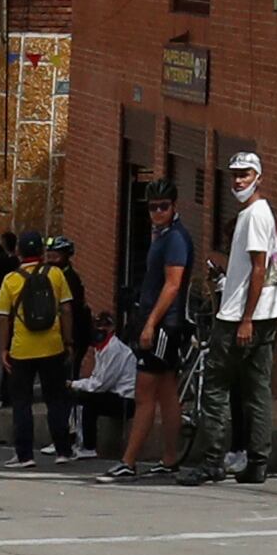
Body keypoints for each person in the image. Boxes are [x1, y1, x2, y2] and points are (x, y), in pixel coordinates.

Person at [190, 149, 277, 483]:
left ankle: (212, 461)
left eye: (245, 174)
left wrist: (246, 319)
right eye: (234, 175)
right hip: (265, 313)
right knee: (256, 390)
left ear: (258, 177)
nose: (238, 181)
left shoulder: (254, 215)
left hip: (240, 318)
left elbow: (259, 268)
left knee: (216, 388)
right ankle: (257, 463)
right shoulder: (258, 213)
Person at [115, 181, 195, 481]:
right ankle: (170, 458)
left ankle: (129, 460)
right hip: (163, 323)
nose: (157, 212)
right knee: (167, 393)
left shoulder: (175, 239)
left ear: (174, 206)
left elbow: (172, 285)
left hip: (164, 324)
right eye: (152, 207)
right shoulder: (163, 235)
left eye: (164, 206)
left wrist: (150, 323)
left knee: (145, 393)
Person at [0, 231, 78, 465]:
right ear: (42, 252)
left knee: (22, 402)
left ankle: (24, 455)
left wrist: (3, 349)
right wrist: (68, 342)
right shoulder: (55, 274)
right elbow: (66, 310)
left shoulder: (11, 279)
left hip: (22, 349)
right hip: (52, 346)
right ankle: (63, 451)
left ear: (19, 252)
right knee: (56, 399)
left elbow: (2, 317)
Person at [73, 313, 140, 460]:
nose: (101, 329)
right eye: (98, 325)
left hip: (126, 401)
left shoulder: (114, 349)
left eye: (105, 325)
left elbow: (102, 384)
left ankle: (88, 447)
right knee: (78, 396)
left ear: (112, 328)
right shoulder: (101, 348)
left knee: (87, 400)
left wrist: (75, 384)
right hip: (115, 394)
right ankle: (72, 439)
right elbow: (97, 378)